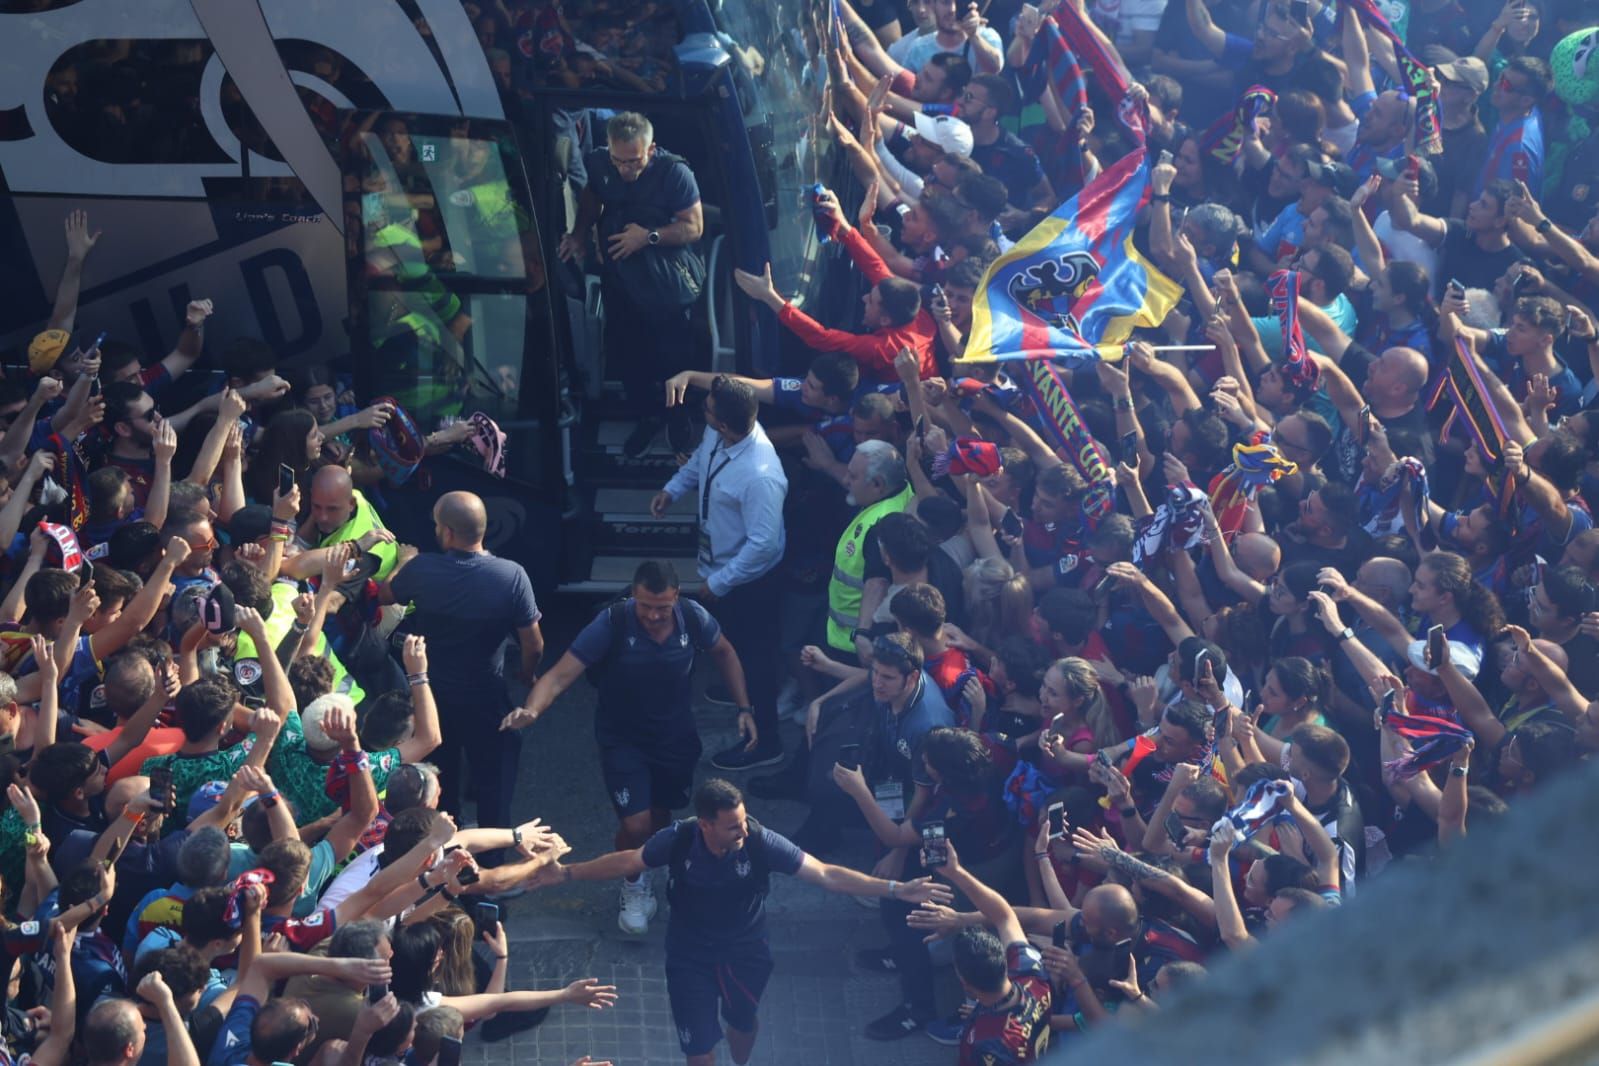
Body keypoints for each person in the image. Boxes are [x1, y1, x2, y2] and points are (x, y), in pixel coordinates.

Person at [530, 779, 951, 1066]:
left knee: (742, 1023)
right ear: (706, 825)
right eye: (732, 826)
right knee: (698, 1051)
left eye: (744, 821)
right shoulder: (679, 838)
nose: (743, 831)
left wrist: (896, 890)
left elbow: (825, 874)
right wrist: (566, 873)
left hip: (745, 953)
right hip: (689, 956)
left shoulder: (761, 841)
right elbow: (630, 861)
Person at [502, 561, 758, 935]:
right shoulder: (613, 622)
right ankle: (634, 883)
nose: (653, 616)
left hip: (675, 738)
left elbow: (725, 653)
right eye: (645, 606)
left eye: (662, 608)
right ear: (633, 596)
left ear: (676, 597)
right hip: (623, 739)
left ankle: (651, 865)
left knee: (660, 816)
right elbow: (559, 675)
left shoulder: (692, 617)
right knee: (635, 824)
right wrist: (532, 709)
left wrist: (745, 708)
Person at [384, 491, 543, 849]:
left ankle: (444, 854)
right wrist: (527, 675)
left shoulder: (422, 569)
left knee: (439, 783)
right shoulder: (512, 576)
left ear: (448, 532)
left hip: (432, 698)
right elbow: (533, 644)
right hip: (487, 697)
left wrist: (404, 561)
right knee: (494, 782)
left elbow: (384, 595)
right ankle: (493, 859)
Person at [650, 375, 789, 772]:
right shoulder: (721, 434)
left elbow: (763, 545)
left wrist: (721, 581)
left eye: (708, 410)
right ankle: (738, 687)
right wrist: (673, 490)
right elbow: (700, 463)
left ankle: (765, 743)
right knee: (735, 648)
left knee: (756, 660)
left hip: (749, 583)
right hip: (723, 569)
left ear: (725, 424)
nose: (703, 412)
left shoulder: (761, 475)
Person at [560, 110, 705, 458]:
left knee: (672, 354)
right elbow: (592, 198)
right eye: (619, 161)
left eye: (634, 161)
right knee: (627, 352)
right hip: (620, 279)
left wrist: (648, 236)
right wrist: (579, 234)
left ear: (650, 150)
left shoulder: (674, 173)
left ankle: (678, 416)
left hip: (665, 281)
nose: (625, 169)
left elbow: (694, 227)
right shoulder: (600, 163)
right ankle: (645, 416)